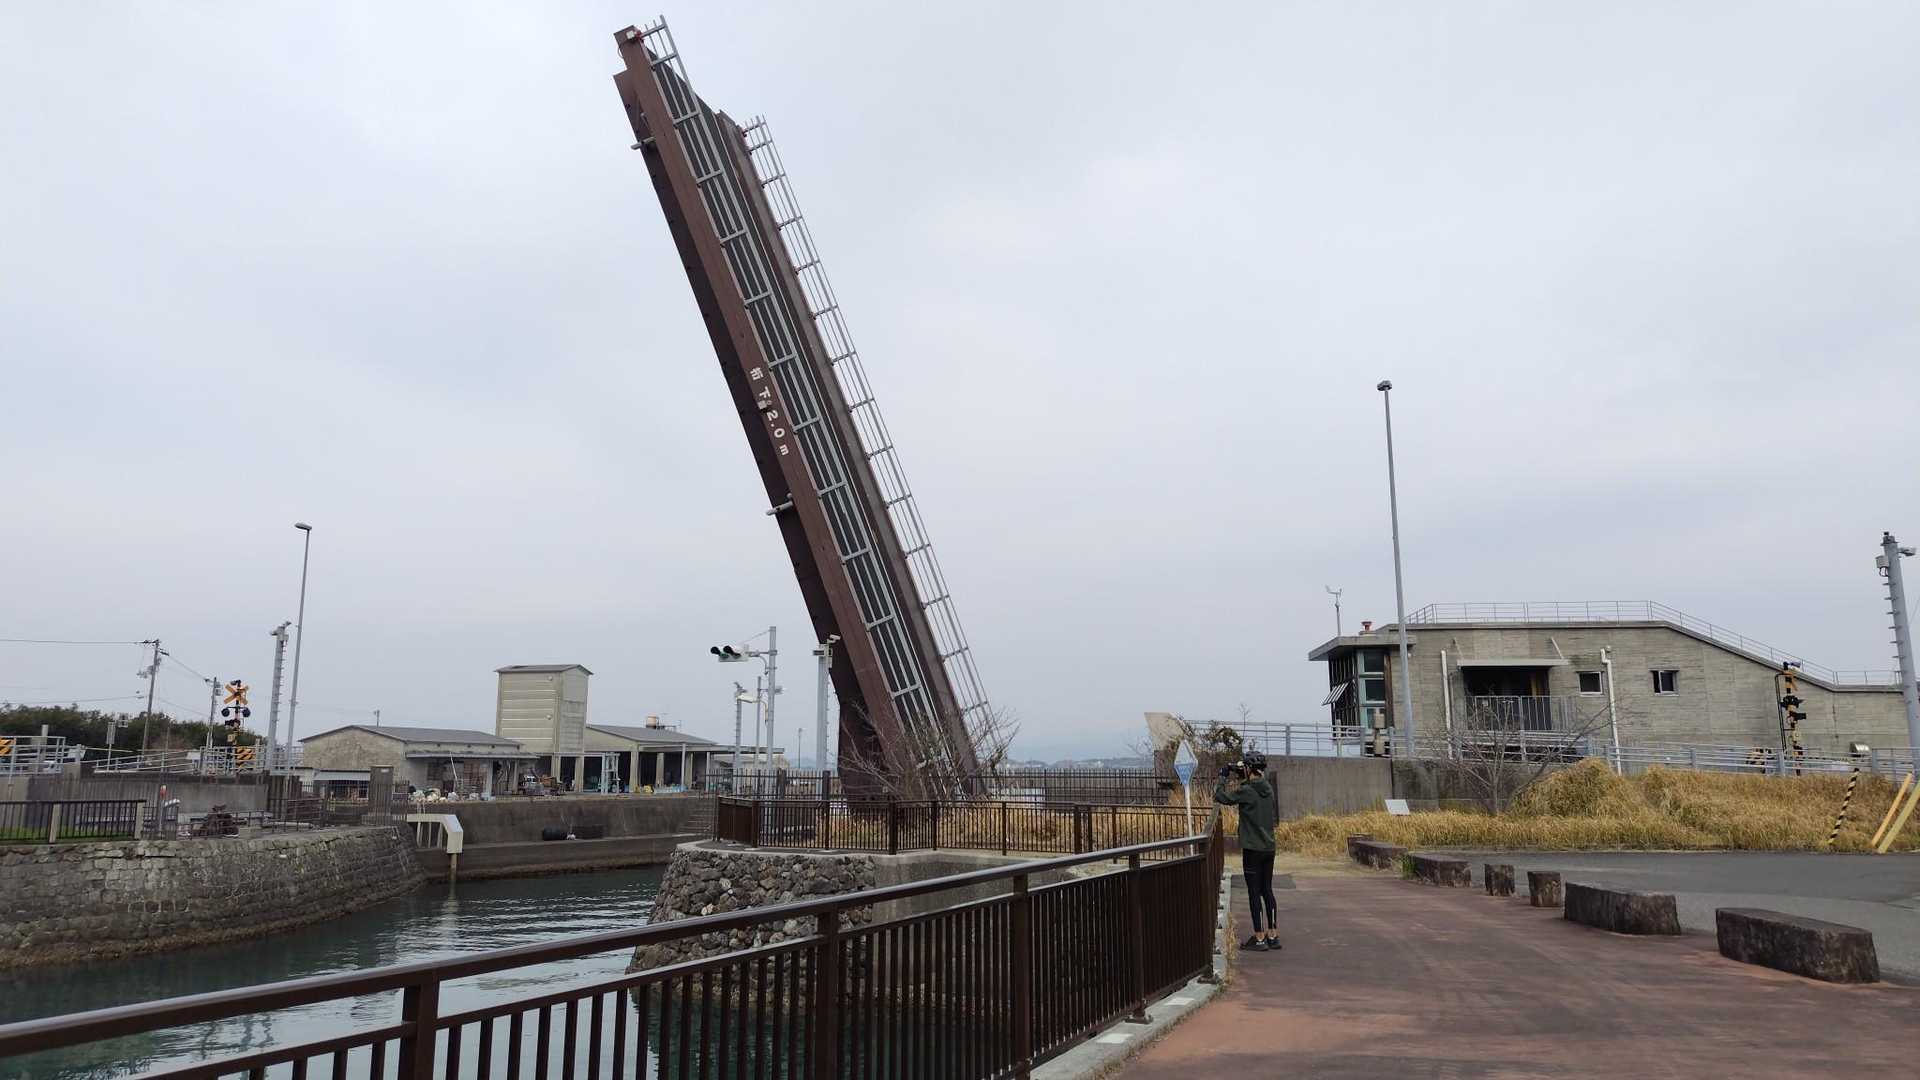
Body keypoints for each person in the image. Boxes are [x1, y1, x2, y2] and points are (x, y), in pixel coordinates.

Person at [1214, 750, 1280, 952]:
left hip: (1252, 849)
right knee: (1267, 890)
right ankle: (1273, 935)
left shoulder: (1247, 790)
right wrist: (1242, 773)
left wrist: (1223, 776)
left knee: (1254, 892)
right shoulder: (1267, 788)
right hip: (1268, 847)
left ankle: (1259, 938)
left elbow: (1221, 796)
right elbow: (1252, 786)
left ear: (1250, 768)